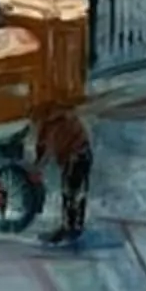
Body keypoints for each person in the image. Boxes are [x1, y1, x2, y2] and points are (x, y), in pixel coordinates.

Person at [36, 103, 93, 246]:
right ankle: (74, 227)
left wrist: (38, 166)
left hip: (75, 156)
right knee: (75, 193)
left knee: (71, 193)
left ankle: (70, 229)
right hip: (81, 154)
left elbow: (44, 147)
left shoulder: (52, 124)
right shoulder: (67, 118)